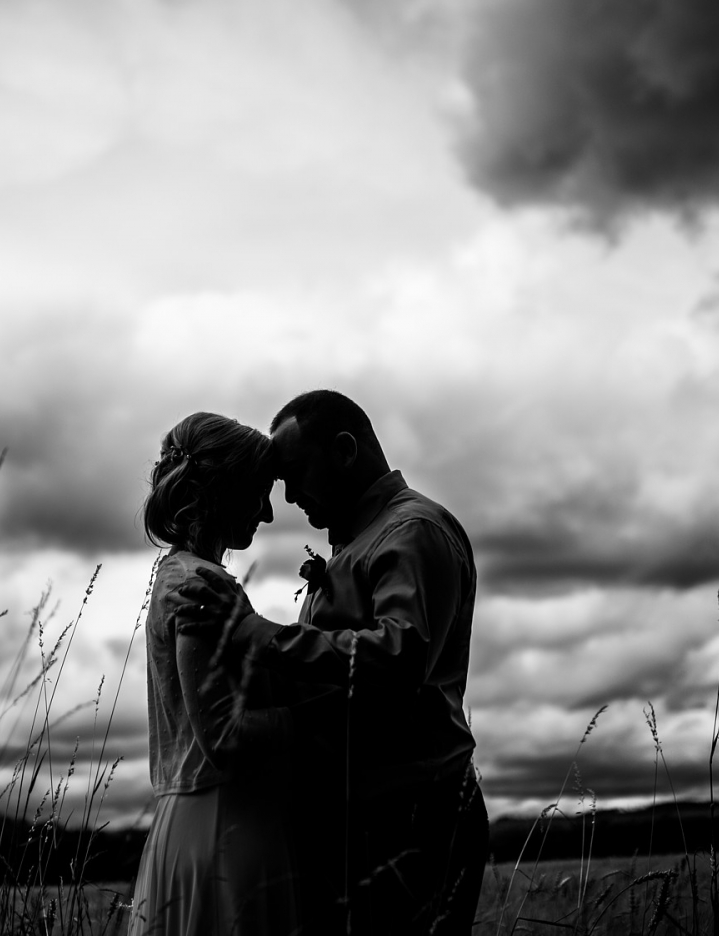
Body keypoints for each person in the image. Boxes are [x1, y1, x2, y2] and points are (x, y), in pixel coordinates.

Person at [170, 390, 488, 936]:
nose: (288, 497)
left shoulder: (412, 532)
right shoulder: (358, 543)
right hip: (363, 822)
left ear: (344, 451)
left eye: (294, 473)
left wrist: (256, 635)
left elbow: (398, 657)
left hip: (413, 815)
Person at [129, 411, 302, 936]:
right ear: (221, 490)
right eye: (259, 491)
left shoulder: (179, 573)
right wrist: (328, 714)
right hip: (227, 832)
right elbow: (223, 736)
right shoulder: (199, 584)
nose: (268, 513)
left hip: (191, 826)